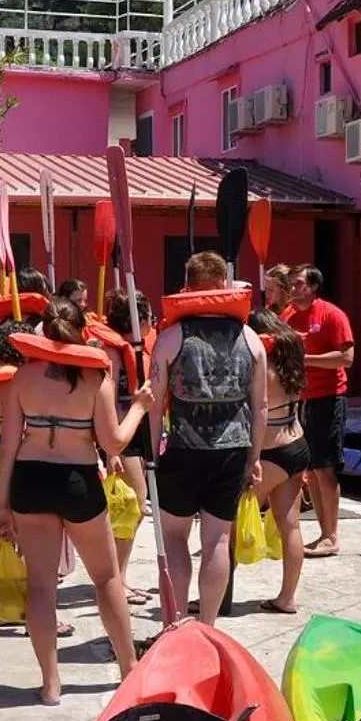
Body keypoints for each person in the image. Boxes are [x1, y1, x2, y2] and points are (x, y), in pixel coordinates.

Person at [0, 299, 153, 704]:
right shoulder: (94, 377)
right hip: (77, 479)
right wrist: (139, 406)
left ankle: (50, 682)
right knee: (106, 578)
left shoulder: (23, 377)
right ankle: (128, 666)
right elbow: (114, 441)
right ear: (83, 332)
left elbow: (8, 447)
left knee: (42, 587)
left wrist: (1, 501)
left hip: (30, 479)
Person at [150, 252, 265, 622]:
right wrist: (255, 458)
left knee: (174, 539)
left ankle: (175, 622)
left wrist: (152, 454)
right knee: (215, 541)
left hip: (183, 449)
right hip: (233, 449)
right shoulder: (251, 338)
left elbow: (154, 404)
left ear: (188, 286)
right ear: (224, 285)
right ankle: (209, 625)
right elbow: (260, 406)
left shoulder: (170, 337)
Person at [286, 265, 355, 558]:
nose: (293, 288)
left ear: (313, 286)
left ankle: (331, 535)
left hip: (328, 398)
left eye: (299, 283)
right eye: (291, 283)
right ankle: (323, 532)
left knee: (325, 468)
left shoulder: (332, 314)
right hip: (301, 399)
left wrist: (307, 359)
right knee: (311, 470)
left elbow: (346, 357)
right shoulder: (288, 315)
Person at [248, 307, 308, 614]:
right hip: (296, 443)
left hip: (270, 450)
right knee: (290, 526)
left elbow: (254, 410)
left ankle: (216, 597)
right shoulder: (291, 360)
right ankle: (287, 598)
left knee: (227, 522)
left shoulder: (260, 365)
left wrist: (251, 458)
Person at [98, 290, 153, 603]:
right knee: (133, 507)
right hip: (120, 437)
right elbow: (109, 401)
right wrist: (112, 451)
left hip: (127, 435)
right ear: (139, 319)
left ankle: (120, 576)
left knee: (130, 509)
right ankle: (116, 579)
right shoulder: (114, 352)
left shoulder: (123, 347)